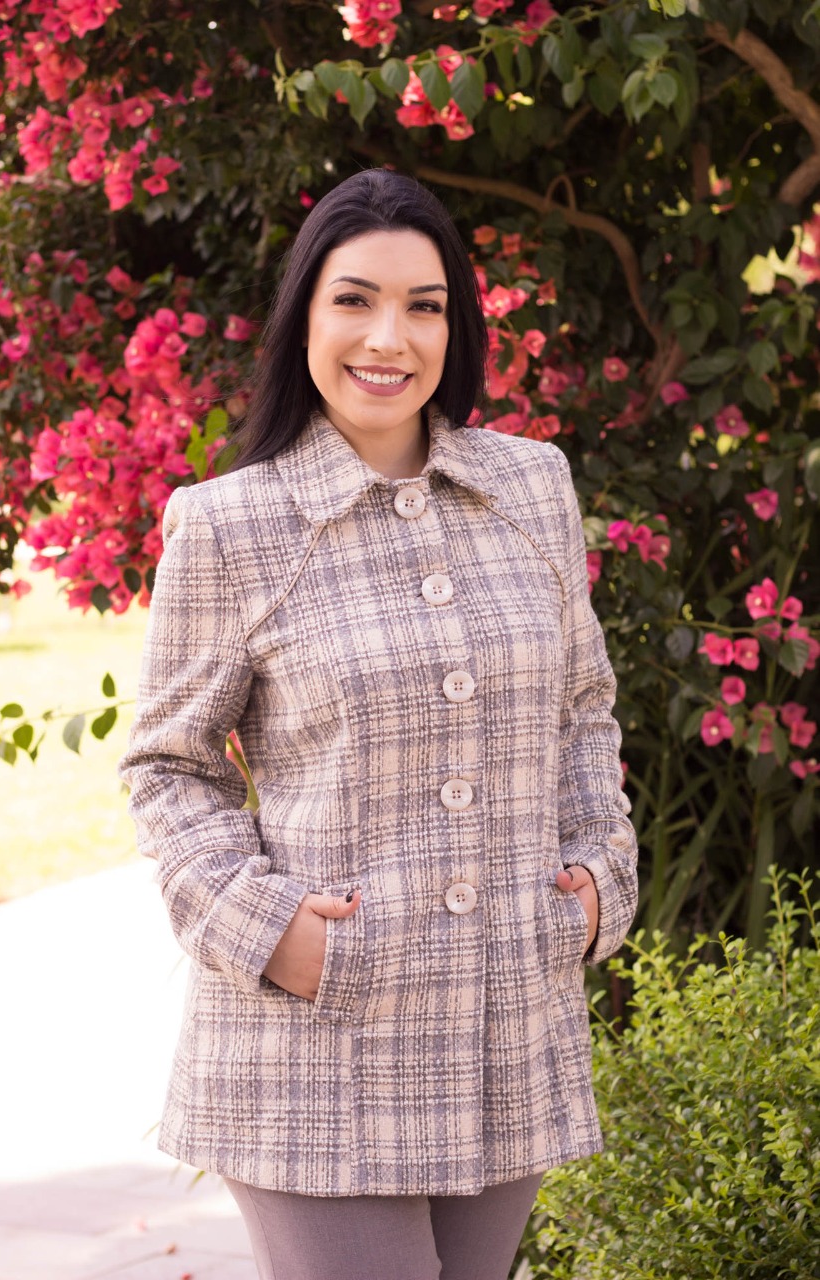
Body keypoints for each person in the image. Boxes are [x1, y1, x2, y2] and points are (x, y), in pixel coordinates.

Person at [118, 167, 638, 1280]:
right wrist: (270, 929)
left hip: (507, 1023)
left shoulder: (531, 487)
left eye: (423, 304)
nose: (388, 337)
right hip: (315, 1043)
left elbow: (581, 710)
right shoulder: (229, 525)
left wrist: (599, 877)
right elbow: (167, 766)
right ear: (305, 315)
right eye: (354, 299)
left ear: (455, 326)